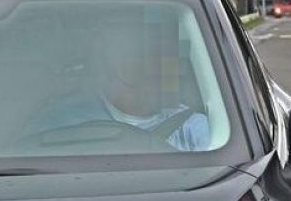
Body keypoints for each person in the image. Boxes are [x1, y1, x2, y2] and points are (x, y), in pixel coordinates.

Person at [25, 17, 210, 152]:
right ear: (118, 65)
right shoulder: (60, 121)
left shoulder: (195, 128)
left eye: (169, 57)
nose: (170, 69)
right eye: (150, 55)